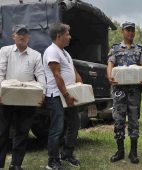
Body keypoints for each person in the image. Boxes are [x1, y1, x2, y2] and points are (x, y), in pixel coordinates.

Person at [0, 24, 45, 170]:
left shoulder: (36, 55)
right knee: (2, 131)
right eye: (19, 34)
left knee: (22, 132)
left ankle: (16, 164)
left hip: (27, 99)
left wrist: (42, 93)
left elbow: (41, 76)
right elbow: (0, 72)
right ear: (13, 36)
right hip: (7, 97)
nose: (22, 36)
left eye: (25, 34)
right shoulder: (5, 51)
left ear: (29, 37)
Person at [107, 21, 142, 164]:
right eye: (127, 30)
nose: (130, 32)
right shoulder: (115, 48)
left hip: (134, 91)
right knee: (118, 120)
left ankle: (133, 152)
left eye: (132, 30)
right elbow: (110, 64)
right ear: (122, 31)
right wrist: (109, 76)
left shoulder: (139, 49)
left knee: (133, 120)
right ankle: (120, 151)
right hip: (119, 90)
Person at [43, 23, 83, 170]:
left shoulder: (65, 52)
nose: (70, 37)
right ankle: (52, 161)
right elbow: (57, 75)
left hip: (69, 94)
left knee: (74, 124)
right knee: (57, 128)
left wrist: (81, 87)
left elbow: (73, 71)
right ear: (59, 36)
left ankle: (67, 154)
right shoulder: (52, 51)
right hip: (57, 96)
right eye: (68, 34)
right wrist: (66, 95)